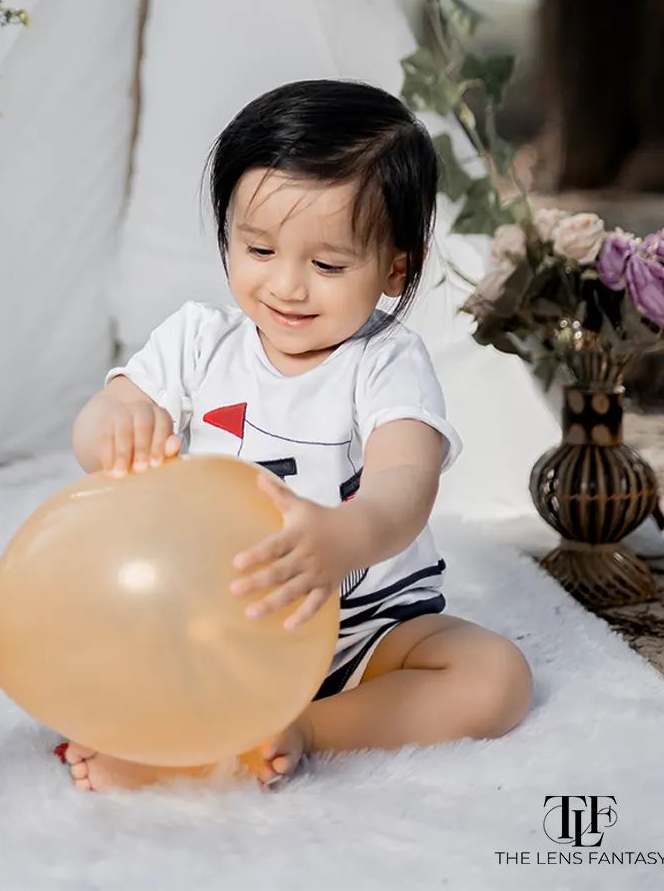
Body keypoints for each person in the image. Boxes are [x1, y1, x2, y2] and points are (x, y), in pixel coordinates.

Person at [62, 80, 532, 792]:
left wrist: (343, 536)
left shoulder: (384, 362)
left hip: (367, 632)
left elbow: (407, 479)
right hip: (223, 624)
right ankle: (180, 732)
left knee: (496, 676)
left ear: (395, 268)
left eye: (327, 265)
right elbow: (104, 416)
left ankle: (304, 728)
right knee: (96, 637)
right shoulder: (198, 339)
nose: (286, 285)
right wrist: (115, 425)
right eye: (258, 248)